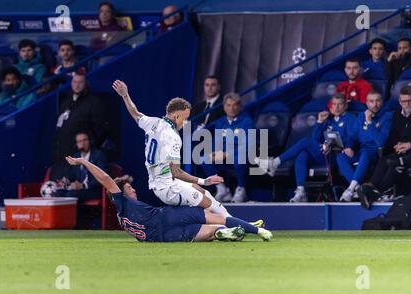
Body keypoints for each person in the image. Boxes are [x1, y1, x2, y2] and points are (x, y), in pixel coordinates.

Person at [112, 80, 264, 224]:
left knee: (206, 194)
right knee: (207, 203)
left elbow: (135, 112)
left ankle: (235, 223)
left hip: (163, 181)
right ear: (176, 115)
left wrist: (125, 95)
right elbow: (176, 172)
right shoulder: (173, 137)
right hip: (167, 188)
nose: (185, 123)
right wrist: (204, 180)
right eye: (184, 118)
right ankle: (234, 226)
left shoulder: (153, 123)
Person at [64, 156, 273, 242]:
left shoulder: (121, 218)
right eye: (129, 188)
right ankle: (256, 230)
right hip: (168, 217)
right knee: (215, 218)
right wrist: (83, 161)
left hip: (164, 237)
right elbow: (106, 178)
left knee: (210, 233)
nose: (133, 190)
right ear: (118, 193)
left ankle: (228, 233)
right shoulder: (121, 201)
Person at [255, 93, 357, 202]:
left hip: (338, 155)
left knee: (305, 142)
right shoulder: (328, 120)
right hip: (325, 154)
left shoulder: (350, 118)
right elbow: (316, 138)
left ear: (345, 106)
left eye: (340, 104)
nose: (336, 107)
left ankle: (275, 162)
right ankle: (301, 190)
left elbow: (352, 137)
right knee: (302, 154)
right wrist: (319, 121)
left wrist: (348, 146)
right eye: (334, 104)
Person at [357, 85, 411, 208]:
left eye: (410, 100)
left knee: (396, 164)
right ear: (400, 102)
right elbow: (394, 137)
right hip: (403, 151)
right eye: (404, 101)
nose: (407, 104)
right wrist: (397, 145)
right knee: (385, 159)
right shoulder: (396, 116)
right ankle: (372, 188)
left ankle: (378, 192)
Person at [336, 90, 392, 201]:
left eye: (377, 101)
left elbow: (380, 141)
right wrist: (349, 147)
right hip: (361, 151)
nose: (374, 104)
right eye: (371, 101)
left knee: (365, 154)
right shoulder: (361, 116)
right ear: (367, 103)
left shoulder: (387, 117)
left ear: (381, 102)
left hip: (377, 153)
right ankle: (359, 189)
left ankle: (351, 189)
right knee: (341, 156)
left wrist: (370, 122)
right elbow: (352, 136)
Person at [201, 93, 255, 203]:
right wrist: (214, 153)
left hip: (241, 157)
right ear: (224, 107)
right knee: (204, 159)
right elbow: (216, 142)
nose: (232, 108)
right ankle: (222, 189)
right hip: (224, 158)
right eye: (229, 105)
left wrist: (226, 154)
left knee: (239, 158)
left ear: (239, 106)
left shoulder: (247, 122)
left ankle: (241, 189)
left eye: (235, 105)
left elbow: (247, 146)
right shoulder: (221, 122)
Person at [53, 72, 108, 162]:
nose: (77, 85)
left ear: (86, 84)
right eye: (74, 82)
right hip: (62, 152)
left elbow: (101, 128)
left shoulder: (94, 102)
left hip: (80, 153)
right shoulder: (66, 102)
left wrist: (88, 145)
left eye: (80, 82)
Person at [54, 131, 108, 201]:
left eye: (85, 140)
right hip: (79, 190)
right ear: (76, 144)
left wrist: (83, 185)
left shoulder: (99, 155)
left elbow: (102, 177)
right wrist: (66, 180)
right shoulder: (76, 156)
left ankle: (75, 212)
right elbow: (71, 173)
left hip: (94, 190)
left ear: (90, 141)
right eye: (79, 141)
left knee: (71, 194)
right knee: (58, 193)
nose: (82, 143)